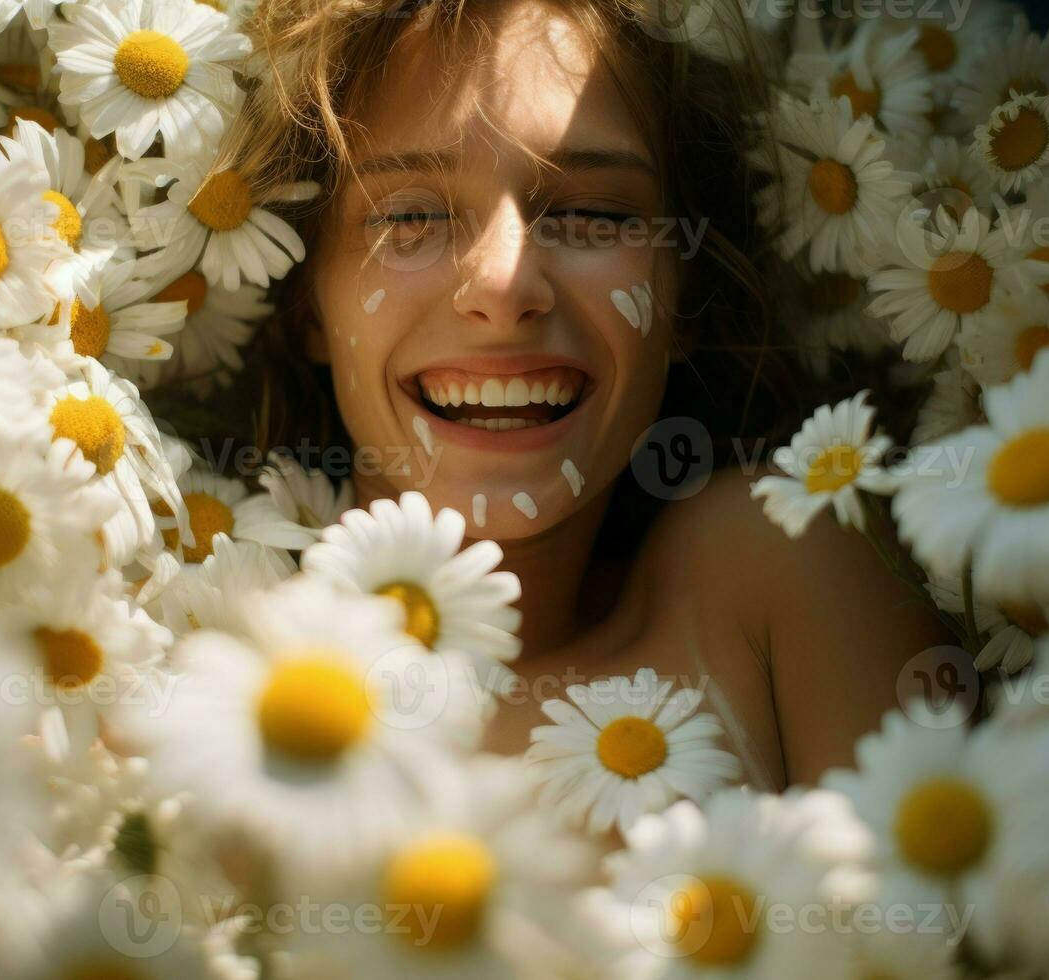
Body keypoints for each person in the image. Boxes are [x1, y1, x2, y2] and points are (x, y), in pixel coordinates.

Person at [209, 0, 945, 788]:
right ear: (305, 305)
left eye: (593, 214)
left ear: (681, 295)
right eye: (411, 216)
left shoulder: (775, 569)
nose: (503, 282)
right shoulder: (195, 678)